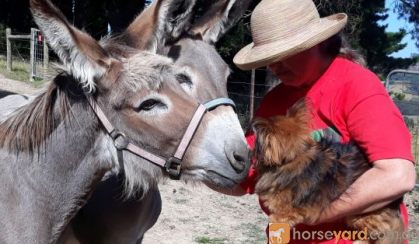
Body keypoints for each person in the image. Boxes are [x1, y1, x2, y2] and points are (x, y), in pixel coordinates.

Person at [210, 0, 417, 243]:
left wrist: (314, 214)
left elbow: (397, 176)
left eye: (283, 54)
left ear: (316, 43)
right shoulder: (274, 101)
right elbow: (242, 180)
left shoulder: (358, 86)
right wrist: (191, 164)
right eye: (268, 57)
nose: (274, 65)